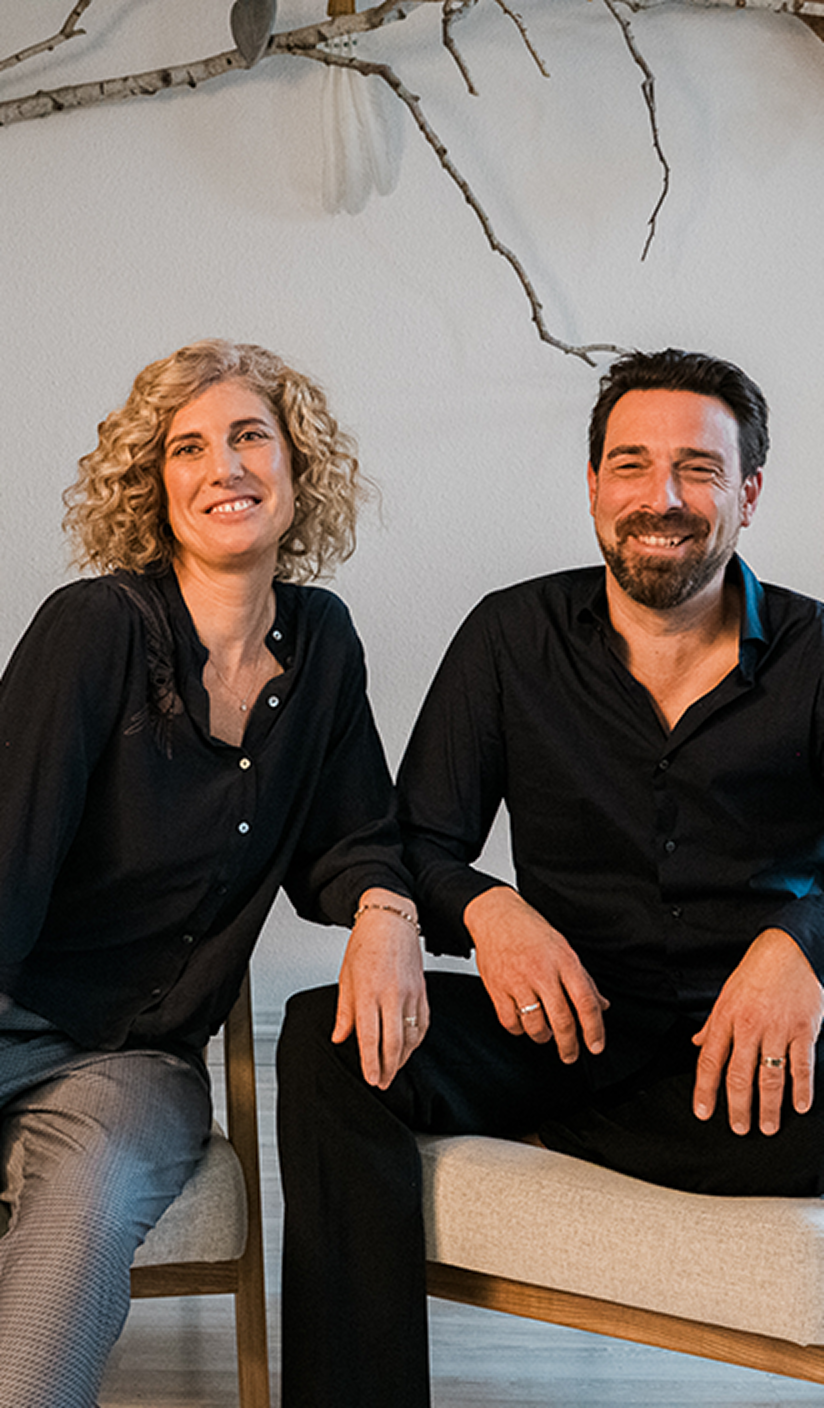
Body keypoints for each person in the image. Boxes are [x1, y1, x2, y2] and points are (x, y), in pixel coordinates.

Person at [277, 347, 824, 1408]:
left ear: (748, 493)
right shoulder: (508, 636)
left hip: (751, 1061)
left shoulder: (814, 651)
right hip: (561, 1038)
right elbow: (416, 838)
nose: (662, 498)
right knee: (324, 1037)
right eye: (631, 465)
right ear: (592, 486)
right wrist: (490, 909)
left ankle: (599, 1137)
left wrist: (796, 944)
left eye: (698, 469)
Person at [0, 338, 427, 1408]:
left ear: (296, 467)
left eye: (248, 436)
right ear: (154, 487)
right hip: (8, 1012)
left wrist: (385, 910)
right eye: (187, 447)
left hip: (136, 1061)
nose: (223, 466)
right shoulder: (95, 626)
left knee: (83, 1217)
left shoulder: (322, 645)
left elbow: (353, 836)